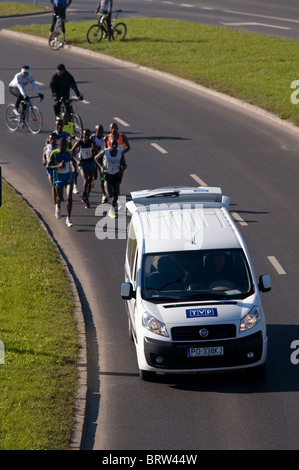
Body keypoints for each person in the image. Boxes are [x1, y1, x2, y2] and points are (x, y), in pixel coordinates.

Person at [94, 138, 126, 218]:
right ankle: (106, 191)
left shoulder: (120, 153)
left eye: (116, 144)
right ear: (109, 144)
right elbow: (96, 158)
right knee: (110, 194)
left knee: (116, 195)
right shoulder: (105, 151)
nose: (114, 146)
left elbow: (124, 163)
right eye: (113, 144)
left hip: (116, 174)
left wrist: (123, 166)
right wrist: (101, 167)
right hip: (107, 175)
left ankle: (111, 211)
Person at [47, 138, 75, 227]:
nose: (64, 148)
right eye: (62, 146)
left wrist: (74, 168)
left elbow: (72, 160)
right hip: (59, 178)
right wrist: (58, 166)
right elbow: (48, 167)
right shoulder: (54, 153)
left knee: (69, 197)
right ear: (59, 145)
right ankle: (58, 206)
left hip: (68, 177)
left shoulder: (69, 152)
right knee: (59, 196)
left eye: (65, 146)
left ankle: (68, 218)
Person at [72, 129, 97, 209]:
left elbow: (96, 151)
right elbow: (71, 152)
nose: (86, 137)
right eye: (85, 135)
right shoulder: (79, 143)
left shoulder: (91, 142)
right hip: (83, 164)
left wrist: (93, 143)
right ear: (82, 135)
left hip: (90, 162)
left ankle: (86, 197)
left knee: (89, 182)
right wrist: (77, 161)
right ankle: (85, 197)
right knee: (86, 180)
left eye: (88, 135)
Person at [42, 132, 59, 206]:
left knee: (58, 186)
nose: (53, 140)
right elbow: (44, 155)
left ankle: (59, 196)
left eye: (54, 139)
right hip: (49, 168)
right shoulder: (46, 148)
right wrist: (44, 160)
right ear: (49, 139)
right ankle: (56, 205)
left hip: (58, 168)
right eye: (51, 139)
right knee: (53, 186)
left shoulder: (58, 148)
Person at [91, 124, 107, 202]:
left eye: (101, 131)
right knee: (95, 176)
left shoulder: (105, 139)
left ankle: (103, 195)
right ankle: (92, 179)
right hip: (94, 159)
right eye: (98, 131)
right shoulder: (92, 138)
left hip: (102, 160)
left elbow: (106, 149)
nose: (100, 132)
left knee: (102, 178)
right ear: (95, 131)